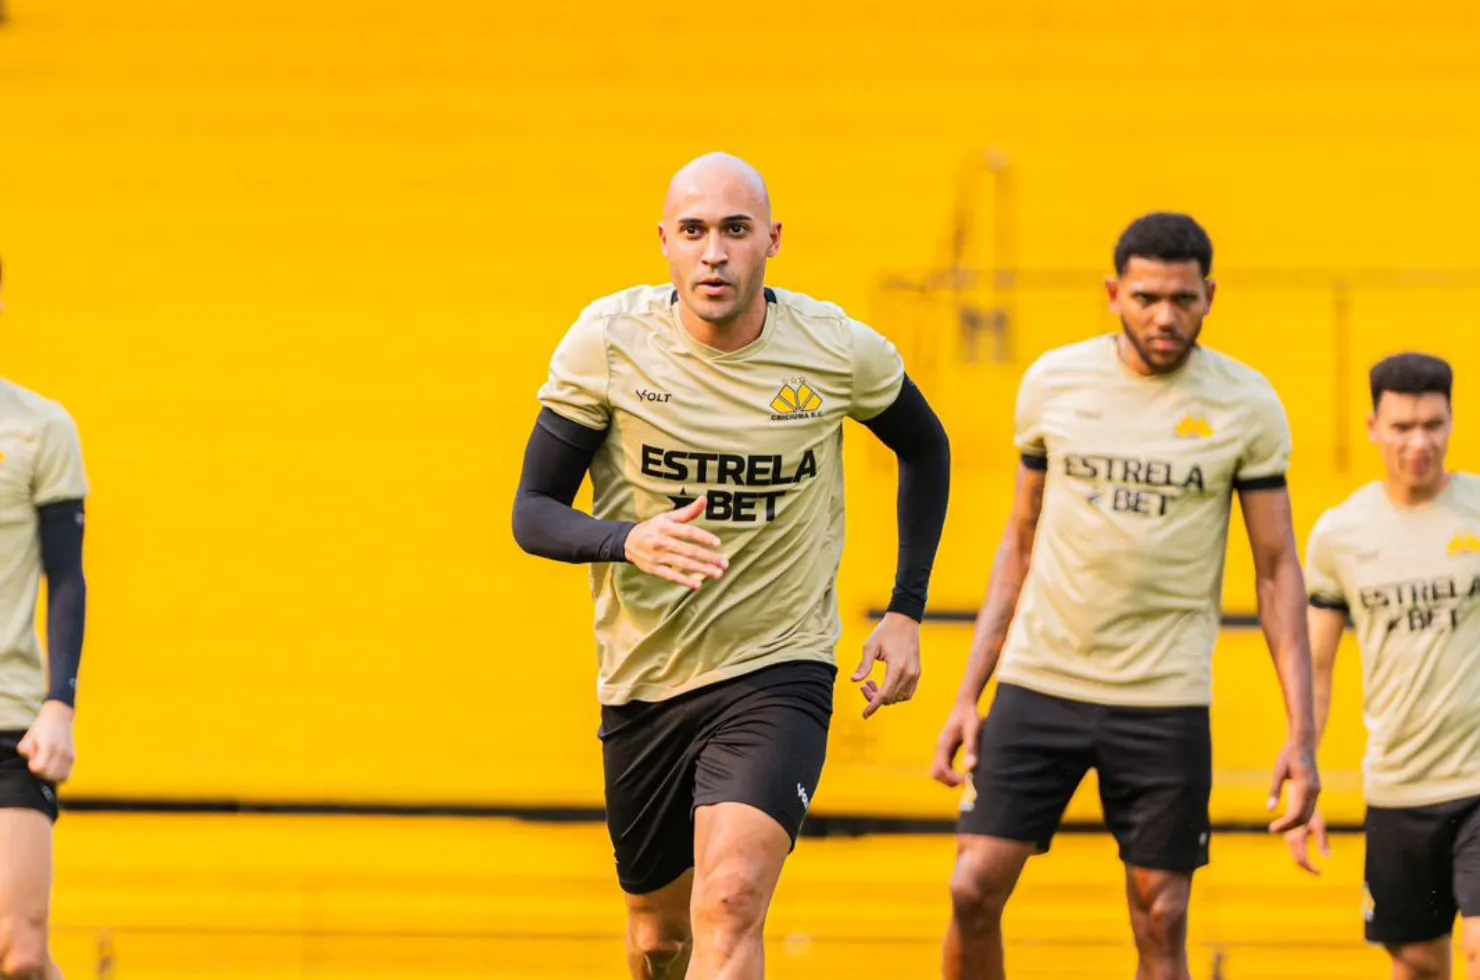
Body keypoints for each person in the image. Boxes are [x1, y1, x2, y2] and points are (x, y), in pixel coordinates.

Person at [512, 153, 951, 980]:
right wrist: (625, 540)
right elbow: (531, 513)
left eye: (735, 231)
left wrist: (907, 607)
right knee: (659, 937)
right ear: (666, 245)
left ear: (772, 241)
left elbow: (925, 446)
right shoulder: (609, 345)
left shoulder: (835, 350)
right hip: (646, 677)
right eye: (695, 232)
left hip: (777, 668)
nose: (714, 252)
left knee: (732, 899)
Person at [932, 212, 1320, 980]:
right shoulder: (1053, 383)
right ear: (1113, 294)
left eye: (1183, 298)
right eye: (1146, 297)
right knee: (971, 887)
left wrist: (1301, 736)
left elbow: (1276, 570)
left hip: (1163, 694)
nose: (1165, 316)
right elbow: (1019, 540)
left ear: (1211, 295)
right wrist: (968, 693)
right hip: (1041, 680)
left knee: (1163, 914)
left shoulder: (1246, 403)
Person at [1290, 353, 1480, 980]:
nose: (1419, 441)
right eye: (1402, 427)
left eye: (1433, 424)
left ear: (1453, 421)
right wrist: (1303, 767)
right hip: (1400, 787)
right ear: (1373, 427)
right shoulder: (1340, 535)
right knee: (1420, 965)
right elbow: (1316, 667)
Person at [0, 258, 91, 980]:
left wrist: (60, 702)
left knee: (21, 955)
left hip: (10, 717)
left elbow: (66, 574)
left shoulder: (40, 427)